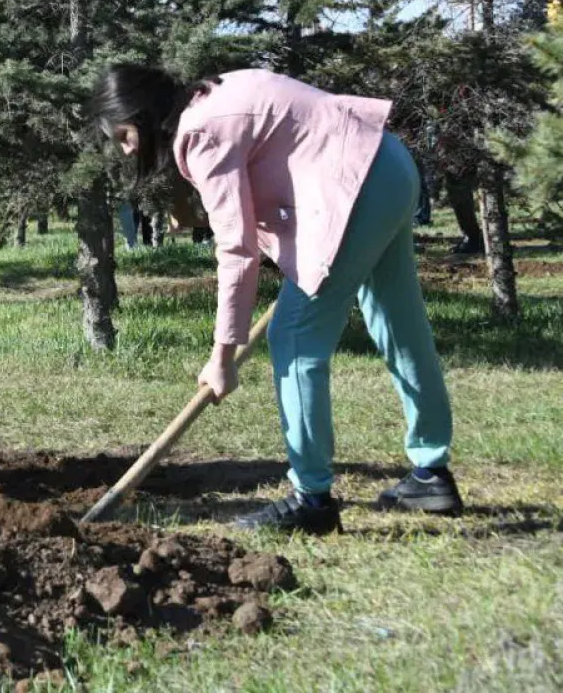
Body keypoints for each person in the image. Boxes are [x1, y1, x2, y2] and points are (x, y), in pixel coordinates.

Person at [92, 65, 461, 535]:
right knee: (396, 318)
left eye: (124, 135)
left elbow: (236, 248)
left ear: (141, 116)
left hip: (355, 189)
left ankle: (312, 499)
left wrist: (222, 356)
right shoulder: (217, 92)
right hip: (387, 165)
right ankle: (431, 473)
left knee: (295, 336)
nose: (126, 149)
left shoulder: (199, 131)